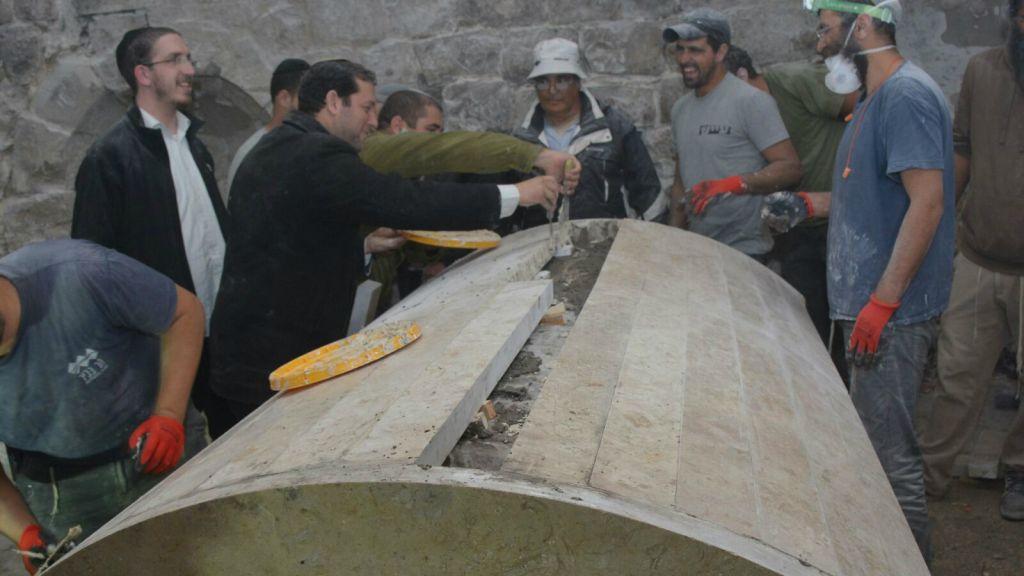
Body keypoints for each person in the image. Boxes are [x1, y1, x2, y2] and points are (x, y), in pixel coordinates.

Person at [209, 60, 565, 430]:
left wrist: (362, 246)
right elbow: (407, 201)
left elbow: (290, 238)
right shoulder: (317, 155)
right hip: (270, 365)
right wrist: (516, 194)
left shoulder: (279, 146)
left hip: (246, 354)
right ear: (333, 102)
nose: (373, 119)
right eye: (366, 107)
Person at [774, 0, 954, 559]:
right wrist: (809, 203)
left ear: (862, 22)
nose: (817, 34)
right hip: (870, 306)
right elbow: (873, 194)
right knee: (875, 453)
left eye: (825, 23)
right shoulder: (875, 98)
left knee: (890, 462)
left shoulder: (906, 95)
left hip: (890, 315)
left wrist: (882, 302)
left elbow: (927, 202)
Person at [0, 240, 206, 574]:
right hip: (61, 497)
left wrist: (169, 414)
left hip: (162, 449)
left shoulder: (80, 272)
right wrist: (25, 531)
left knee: (214, 556)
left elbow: (184, 313)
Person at [71, 26, 233, 438]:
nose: (189, 69)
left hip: (221, 330)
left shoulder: (194, 143)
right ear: (143, 74)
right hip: (162, 342)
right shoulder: (109, 156)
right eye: (175, 59)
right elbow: (90, 262)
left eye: (188, 58)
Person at [920, 0, 1024, 522]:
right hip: (981, 255)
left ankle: (1020, 471)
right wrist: (939, 226)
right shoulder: (983, 70)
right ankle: (927, 474)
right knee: (957, 372)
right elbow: (961, 148)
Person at [725, 46, 855, 381]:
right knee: (809, 328)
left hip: (839, 221)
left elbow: (863, 102)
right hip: (797, 227)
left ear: (741, 76)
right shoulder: (742, 111)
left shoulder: (793, 81)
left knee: (846, 331)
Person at [664, 9, 801, 261]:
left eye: (695, 50)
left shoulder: (751, 102)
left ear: (721, 52)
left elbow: (790, 167)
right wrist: (675, 239)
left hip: (745, 251)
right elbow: (680, 180)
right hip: (698, 248)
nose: (684, 59)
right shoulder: (680, 109)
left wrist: (733, 184)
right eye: (680, 50)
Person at [510, 38, 666, 227]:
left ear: (578, 82)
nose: (552, 90)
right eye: (543, 81)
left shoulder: (613, 128)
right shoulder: (521, 140)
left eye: (562, 80)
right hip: (540, 248)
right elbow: (510, 208)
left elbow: (648, 196)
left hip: (603, 246)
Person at [226, 58, 310, 194]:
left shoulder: (306, 145)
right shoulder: (253, 153)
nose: (314, 107)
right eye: (306, 98)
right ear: (284, 98)